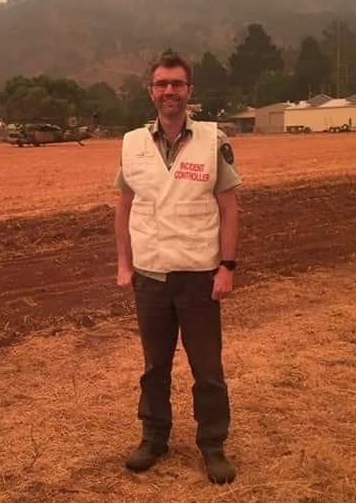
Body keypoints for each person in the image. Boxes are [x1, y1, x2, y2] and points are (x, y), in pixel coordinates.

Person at [115, 49, 241, 485]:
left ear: (189, 90)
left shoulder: (213, 140)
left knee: (207, 367)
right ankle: (154, 437)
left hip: (199, 275)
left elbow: (229, 208)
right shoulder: (132, 143)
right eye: (161, 84)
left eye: (177, 84)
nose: (170, 91)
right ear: (151, 91)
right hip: (150, 276)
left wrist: (226, 267)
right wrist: (123, 263)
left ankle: (212, 444)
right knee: (155, 365)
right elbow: (124, 205)